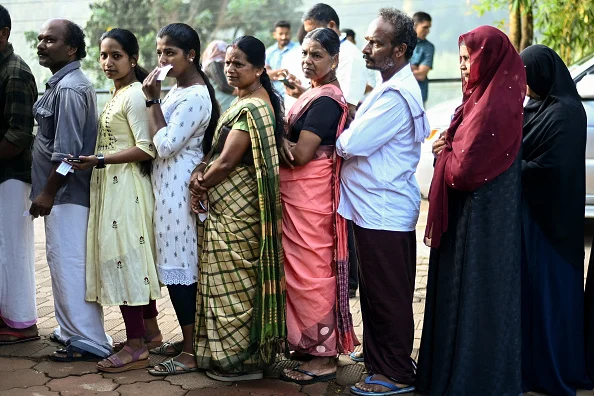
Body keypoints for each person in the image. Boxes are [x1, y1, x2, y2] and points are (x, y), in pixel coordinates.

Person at [417, 26, 525, 395]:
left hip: (480, 223)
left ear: (488, 59)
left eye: (468, 59)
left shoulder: (493, 105)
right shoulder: (480, 97)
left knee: (474, 298)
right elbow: (459, 150)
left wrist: (446, 152)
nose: (463, 67)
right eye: (461, 59)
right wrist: (448, 146)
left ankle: (469, 379)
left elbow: (463, 171)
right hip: (475, 219)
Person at [337, 9, 430, 395]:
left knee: (388, 296)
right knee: (377, 293)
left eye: (377, 42)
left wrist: (342, 134)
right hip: (373, 208)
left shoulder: (395, 94)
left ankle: (394, 374)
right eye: (369, 40)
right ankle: (379, 359)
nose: (367, 48)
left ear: (400, 49)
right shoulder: (387, 85)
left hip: (383, 210)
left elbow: (351, 143)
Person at [189, 35, 285, 382]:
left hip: (238, 209)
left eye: (239, 63)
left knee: (236, 284)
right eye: (228, 62)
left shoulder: (254, 107)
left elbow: (228, 160)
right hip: (229, 205)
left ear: (259, 68)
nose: (230, 69)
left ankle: (239, 363)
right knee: (231, 282)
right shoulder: (244, 100)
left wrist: (199, 183)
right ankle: (230, 358)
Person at [67, 28, 162, 373]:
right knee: (127, 258)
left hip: (126, 189)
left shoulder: (135, 94)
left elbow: (146, 147)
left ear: (133, 59)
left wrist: (100, 160)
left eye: (116, 55)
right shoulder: (118, 92)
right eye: (104, 55)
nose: (108, 62)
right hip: (111, 185)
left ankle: (136, 346)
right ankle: (149, 334)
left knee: (123, 261)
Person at [277, 27, 357, 385]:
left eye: (317, 55)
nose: (308, 61)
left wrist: (270, 132)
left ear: (334, 60)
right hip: (302, 200)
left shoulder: (326, 100)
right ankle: (308, 345)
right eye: (305, 54)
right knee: (300, 271)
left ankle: (323, 357)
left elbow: (300, 155)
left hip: (311, 199)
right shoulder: (314, 94)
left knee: (313, 271)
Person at [30, 19, 112, 361]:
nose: (41, 44)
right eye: (40, 39)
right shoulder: (61, 84)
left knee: (70, 265)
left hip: (66, 195)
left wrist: (48, 193)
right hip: (59, 196)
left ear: (71, 49)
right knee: (60, 263)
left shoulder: (69, 89)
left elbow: (66, 156)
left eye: (50, 40)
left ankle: (89, 341)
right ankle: (69, 330)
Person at [141, 23, 220, 376]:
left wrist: (152, 99)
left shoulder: (195, 95)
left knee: (181, 273)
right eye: (159, 52)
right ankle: (191, 341)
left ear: (191, 55)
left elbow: (167, 145)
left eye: (170, 53)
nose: (163, 60)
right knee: (176, 270)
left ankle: (190, 352)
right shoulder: (178, 90)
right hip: (166, 187)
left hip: (178, 191)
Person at [521, 44, 593, 396]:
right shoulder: (536, 106)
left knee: (554, 299)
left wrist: (509, 168)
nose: (525, 85)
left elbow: (553, 169)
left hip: (555, 224)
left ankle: (558, 369)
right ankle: (534, 367)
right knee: (534, 299)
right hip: (532, 219)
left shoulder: (566, 112)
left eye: (529, 77)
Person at [0, 5, 39, 345]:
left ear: (3, 33)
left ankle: (23, 323)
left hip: (12, 176)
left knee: (13, 249)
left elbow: (19, 135)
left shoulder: (14, 73)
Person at [287, 3, 367, 117]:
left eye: (314, 31)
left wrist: (304, 95)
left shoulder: (350, 56)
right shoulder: (322, 49)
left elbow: (344, 106)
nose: (310, 36)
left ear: (331, 25)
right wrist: (304, 92)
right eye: (307, 33)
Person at [265, 21, 297, 94]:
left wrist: (273, 73)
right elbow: (264, 75)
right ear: (274, 35)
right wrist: (284, 71)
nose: (284, 37)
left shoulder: (298, 49)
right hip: (273, 95)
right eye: (281, 34)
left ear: (290, 34)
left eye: (286, 34)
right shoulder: (269, 52)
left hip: (293, 94)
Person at [203, 40, 235, 112]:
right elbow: (223, 85)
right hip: (224, 105)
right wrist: (240, 91)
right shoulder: (213, 64)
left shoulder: (223, 64)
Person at [409, 12, 434, 105]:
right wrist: (414, 67)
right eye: (425, 27)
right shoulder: (402, 44)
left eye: (429, 28)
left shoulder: (428, 47)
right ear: (415, 26)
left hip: (418, 96)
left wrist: (404, 67)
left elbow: (421, 75)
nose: (428, 31)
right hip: (400, 94)